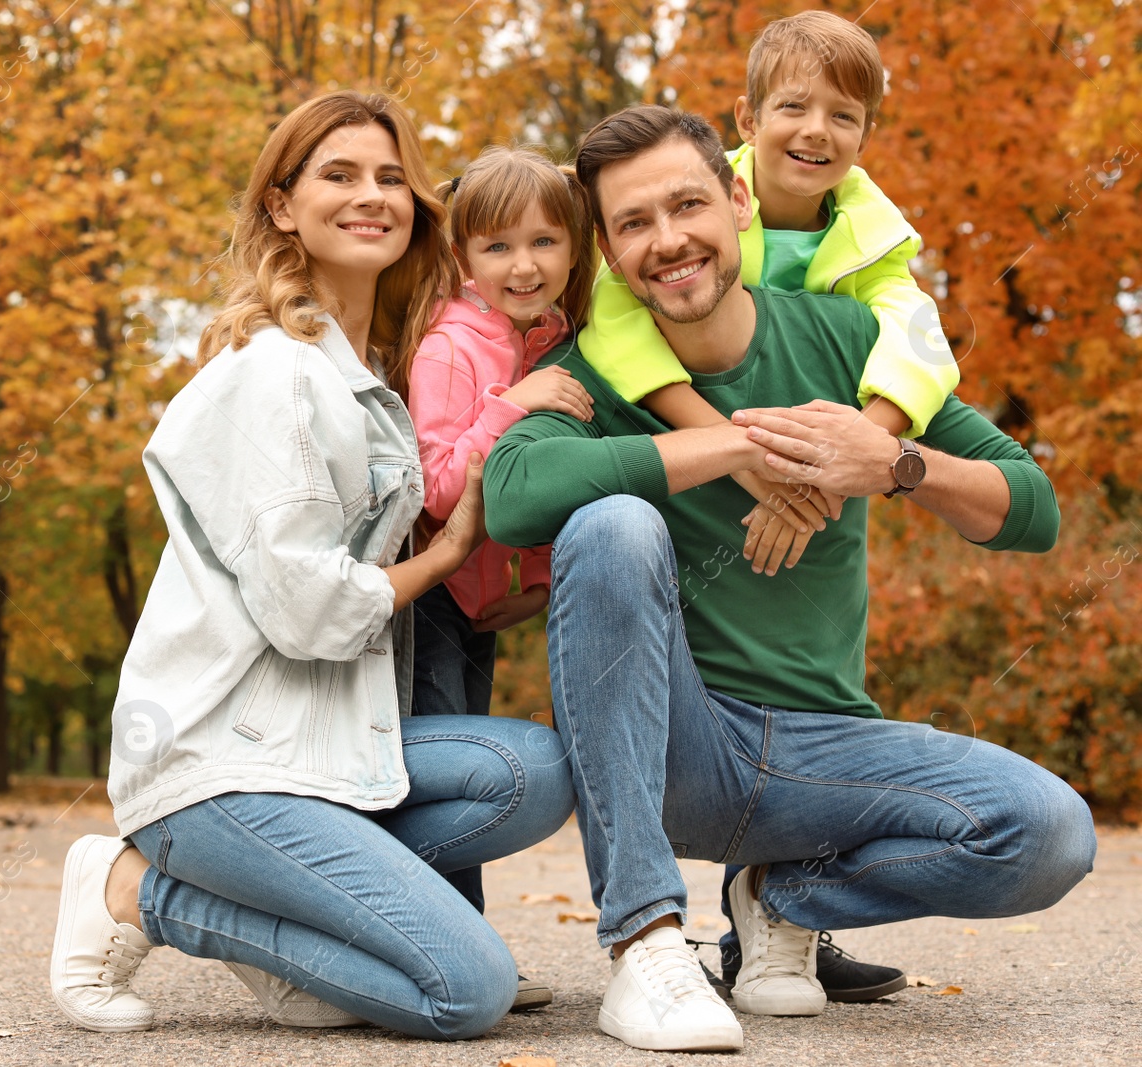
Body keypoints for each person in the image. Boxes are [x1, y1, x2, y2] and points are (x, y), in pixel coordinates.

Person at [484, 104, 1095, 1053]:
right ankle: (645, 939)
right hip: (675, 743)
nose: (668, 240)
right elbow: (515, 496)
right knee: (611, 524)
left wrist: (889, 463)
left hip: (826, 753)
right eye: (633, 224)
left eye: (688, 205)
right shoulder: (595, 373)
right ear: (605, 251)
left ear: (736, 199)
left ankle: (781, 893)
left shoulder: (851, 341)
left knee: (1049, 831)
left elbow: (1031, 507)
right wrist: (732, 444)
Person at [48, 91, 577, 1041]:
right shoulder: (276, 371)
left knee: (535, 771)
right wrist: (453, 549)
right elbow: (312, 612)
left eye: (388, 177)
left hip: (327, 747)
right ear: (283, 206)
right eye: (339, 175)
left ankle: (304, 921)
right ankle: (133, 889)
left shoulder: (372, 362)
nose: (371, 195)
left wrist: (499, 575)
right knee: (468, 989)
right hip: (221, 763)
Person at [578, 10, 956, 1005]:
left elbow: (915, 340)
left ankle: (781, 902)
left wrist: (849, 460)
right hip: (719, 504)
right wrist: (742, 456)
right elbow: (618, 324)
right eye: (792, 106)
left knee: (809, 675)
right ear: (745, 119)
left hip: (815, 518)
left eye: (845, 114)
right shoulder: (691, 204)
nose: (817, 131)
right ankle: (677, 923)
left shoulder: (867, 235)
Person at [403, 145, 597, 1012]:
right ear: (462, 258)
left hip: (491, 600)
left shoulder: (557, 336)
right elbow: (440, 487)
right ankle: (442, 945)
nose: (525, 265)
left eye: (545, 242)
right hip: (438, 599)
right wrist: (510, 405)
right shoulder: (452, 348)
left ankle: (459, 942)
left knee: (467, 752)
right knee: (451, 764)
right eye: (498, 247)